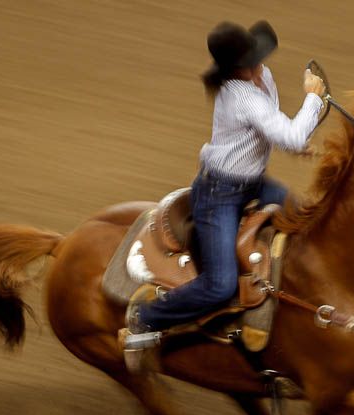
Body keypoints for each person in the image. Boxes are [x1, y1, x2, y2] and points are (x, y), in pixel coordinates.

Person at [129, 20, 325, 335]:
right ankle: (147, 317)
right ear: (237, 68)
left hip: (251, 182)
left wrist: (293, 142)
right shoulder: (241, 95)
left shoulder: (261, 79)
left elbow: (273, 130)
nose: (260, 66)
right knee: (219, 285)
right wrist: (313, 98)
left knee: (307, 218)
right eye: (252, 62)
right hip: (218, 194)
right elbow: (290, 135)